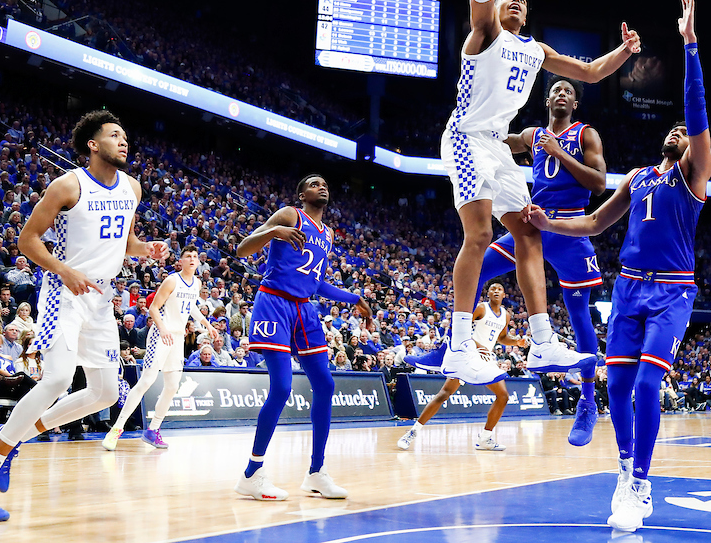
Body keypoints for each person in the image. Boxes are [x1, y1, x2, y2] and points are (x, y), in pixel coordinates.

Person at [438, 0, 640, 386]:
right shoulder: (484, 33)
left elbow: (593, 73)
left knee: (527, 232)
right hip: (464, 137)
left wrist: (625, 53)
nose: (514, 2)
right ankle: (457, 347)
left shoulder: (536, 50)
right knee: (479, 236)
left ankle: (546, 344)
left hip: (498, 148)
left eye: (521, 0)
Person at [525, 0, 711, 532]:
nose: (680, 132)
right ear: (662, 142)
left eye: (686, 133)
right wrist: (548, 224)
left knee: (650, 385)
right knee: (617, 388)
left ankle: (642, 483)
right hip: (628, 288)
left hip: (673, 291)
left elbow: (696, 113)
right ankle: (625, 472)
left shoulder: (693, 176)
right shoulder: (638, 178)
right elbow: (593, 223)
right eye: (673, 130)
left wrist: (691, 45)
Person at [0, 110, 169, 522]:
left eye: (125, 135)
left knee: (105, 392)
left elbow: (126, 243)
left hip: (102, 298)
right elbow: (27, 239)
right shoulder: (68, 185)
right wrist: (63, 270)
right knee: (56, 378)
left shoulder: (133, 188)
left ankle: (8, 438)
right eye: (115, 135)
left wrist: (146, 249)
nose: (124, 141)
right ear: (93, 144)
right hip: (63, 293)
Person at [410, 76, 608, 444]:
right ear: (547, 100)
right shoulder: (532, 135)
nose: (562, 94)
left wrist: (559, 151)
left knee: (582, 321)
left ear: (575, 105)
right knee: (478, 267)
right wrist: (464, 129)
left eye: (569, 91)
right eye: (557, 90)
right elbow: (495, 142)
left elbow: (599, 183)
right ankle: (452, 342)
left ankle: (587, 402)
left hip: (569, 229)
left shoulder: (586, 135)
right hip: (532, 223)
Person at [233, 173, 373, 502]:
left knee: (325, 385)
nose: (321, 186)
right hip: (274, 303)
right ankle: (251, 474)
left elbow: (316, 284)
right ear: (301, 195)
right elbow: (241, 249)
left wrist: (353, 297)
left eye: (325, 183)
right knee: (282, 388)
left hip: (304, 310)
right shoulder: (289, 215)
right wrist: (273, 232)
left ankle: (316, 473)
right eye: (313, 183)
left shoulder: (329, 234)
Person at [104, 245, 216, 451]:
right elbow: (154, 308)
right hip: (160, 335)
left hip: (177, 338)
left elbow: (190, 306)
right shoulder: (171, 280)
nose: (192, 259)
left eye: (194, 256)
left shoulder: (197, 283)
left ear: (199, 262)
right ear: (180, 261)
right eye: (187, 256)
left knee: (173, 386)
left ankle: (153, 430)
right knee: (146, 381)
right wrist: (163, 329)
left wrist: (206, 323)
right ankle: (116, 430)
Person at [398, 281, 528, 452]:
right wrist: (476, 345)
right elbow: (461, 329)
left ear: (504, 295)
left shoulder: (505, 315)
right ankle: (413, 432)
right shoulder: (481, 308)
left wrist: (517, 341)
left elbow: (502, 338)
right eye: (492, 289)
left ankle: (485, 438)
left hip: (486, 359)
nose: (496, 291)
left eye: (499, 289)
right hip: (468, 355)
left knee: (503, 396)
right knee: (444, 394)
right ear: (488, 294)